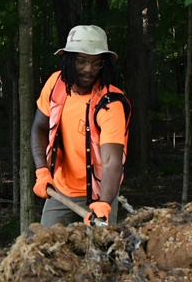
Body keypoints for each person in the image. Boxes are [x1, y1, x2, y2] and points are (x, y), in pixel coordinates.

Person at [31, 25, 131, 227]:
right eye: (81, 61)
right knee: (44, 251)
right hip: (60, 191)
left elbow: (113, 161)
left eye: (96, 63)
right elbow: (39, 127)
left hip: (99, 194)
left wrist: (103, 204)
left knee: (97, 255)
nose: (89, 69)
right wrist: (42, 171)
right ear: (69, 59)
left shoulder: (110, 103)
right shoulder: (55, 85)